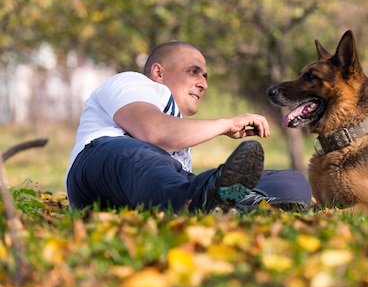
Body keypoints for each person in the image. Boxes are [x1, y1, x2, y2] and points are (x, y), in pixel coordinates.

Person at [65, 41, 312, 213]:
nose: (203, 84)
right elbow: (154, 132)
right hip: (99, 170)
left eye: (205, 76)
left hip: (151, 192)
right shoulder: (131, 82)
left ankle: (235, 201)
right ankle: (199, 198)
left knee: (292, 181)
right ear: (158, 72)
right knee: (139, 155)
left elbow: (169, 137)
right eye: (193, 71)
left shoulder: (180, 131)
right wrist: (226, 124)